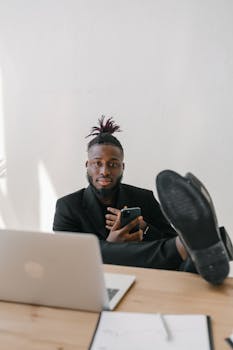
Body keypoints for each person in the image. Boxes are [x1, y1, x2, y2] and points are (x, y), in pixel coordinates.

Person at [53, 116, 232, 284]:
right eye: (97, 163)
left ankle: (195, 253)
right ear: (87, 165)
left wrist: (144, 228)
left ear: (122, 167)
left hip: (146, 278)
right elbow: (70, 260)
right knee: (85, 253)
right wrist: (111, 244)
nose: (105, 171)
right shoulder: (67, 207)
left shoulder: (143, 198)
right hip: (95, 282)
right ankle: (196, 246)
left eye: (113, 164)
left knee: (181, 257)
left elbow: (168, 236)